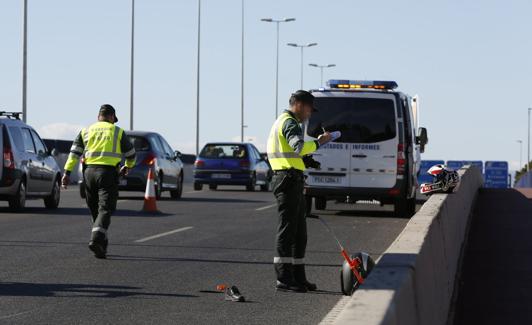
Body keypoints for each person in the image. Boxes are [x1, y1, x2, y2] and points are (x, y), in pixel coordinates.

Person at [267, 90, 332, 292]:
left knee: (299, 233)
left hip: (291, 179)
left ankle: (298, 276)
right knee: (288, 231)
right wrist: (320, 142)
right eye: (309, 110)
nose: (309, 115)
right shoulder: (289, 122)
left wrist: (307, 161)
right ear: (300, 105)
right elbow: (298, 146)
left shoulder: (286, 121)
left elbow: (292, 152)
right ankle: (284, 278)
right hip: (286, 181)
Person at [61, 104, 136, 259]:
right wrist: (127, 167)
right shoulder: (117, 131)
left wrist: (67, 173)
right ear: (111, 116)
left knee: (94, 208)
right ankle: (96, 239)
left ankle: (102, 244)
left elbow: (74, 154)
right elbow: (131, 154)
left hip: (88, 173)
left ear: (98, 117)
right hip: (107, 174)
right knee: (105, 208)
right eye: (113, 119)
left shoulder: (85, 131)